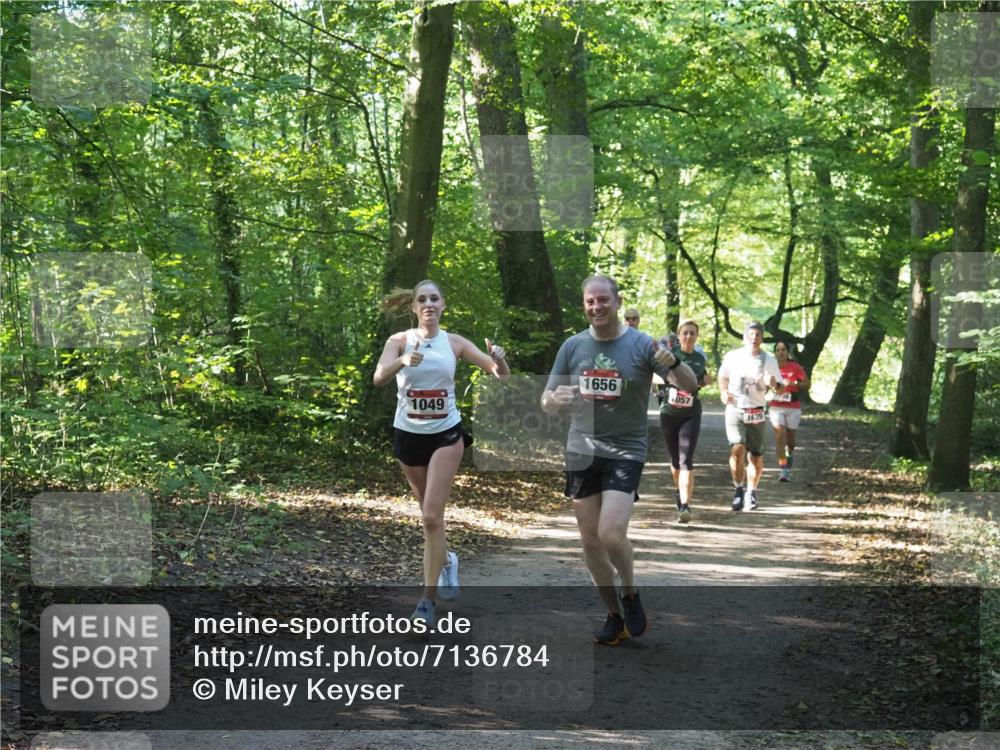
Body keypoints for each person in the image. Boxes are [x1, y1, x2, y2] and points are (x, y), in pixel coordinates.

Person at [541, 275, 697, 645]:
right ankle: (615, 616)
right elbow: (546, 400)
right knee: (590, 542)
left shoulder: (642, 344)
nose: (596, 307)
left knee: (610, 534)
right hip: (582, 449)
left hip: (626, 449)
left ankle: (629, 592)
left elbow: (689, 385)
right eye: (590, 301)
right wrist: (554, 400)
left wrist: (674, 361)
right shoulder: (573, 346)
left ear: (617, 301)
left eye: (603, 300)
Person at [374, 280, 509, 625]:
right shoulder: (398, 341)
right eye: (422, 299)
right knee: (428, 516)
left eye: (434, 298)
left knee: (431, 517)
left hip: (446, 435)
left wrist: (499, 359)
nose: (429, 304)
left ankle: (426, 602)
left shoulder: (455, 343)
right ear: (413, 307)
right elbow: (379, 378)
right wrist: (402, 360)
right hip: (408, 436)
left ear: (443, 305)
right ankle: (447, 560)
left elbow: (499, 374)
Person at [717, 322, 785, 511]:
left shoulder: (769, 359)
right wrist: (723, 392)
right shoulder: (733, 356)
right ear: (744, 337)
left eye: (758, 335)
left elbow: (781, 388)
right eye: (751, 334)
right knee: (737, 448)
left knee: (756, 455)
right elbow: (722, 376)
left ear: (762, 338)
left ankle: (751, 493)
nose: (754, 338)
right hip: (735, 409)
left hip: (756, 411)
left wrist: (774, 384)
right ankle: (738, 489)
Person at [659, 320, 711, 523]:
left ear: (697, 336)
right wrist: (669, 381)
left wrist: (705, 381)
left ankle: (684, 505)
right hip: (669, 412)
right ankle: (679, 490)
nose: (689, 336)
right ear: (679, 336)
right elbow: (654, 376)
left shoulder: (699, 358)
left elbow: (702, 380)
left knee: (685, 459)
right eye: (685, 333)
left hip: (691, 413)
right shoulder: (670, 355)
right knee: (675, 461)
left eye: (692, 333)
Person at [769, 340, 810, 481]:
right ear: (775, 353)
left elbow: (807, 384)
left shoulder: (795, 367)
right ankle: (783, 469)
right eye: (778, 350)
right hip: (776, 406)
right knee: (779, 436)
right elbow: (764, 386)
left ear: (787, 352)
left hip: (793, 407)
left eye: (783, 349)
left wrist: (795, 383)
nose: (781, 352)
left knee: (791, 441)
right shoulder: (771, 368)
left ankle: (790, 454)